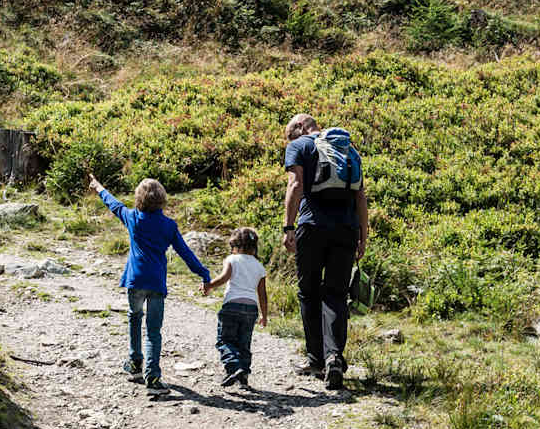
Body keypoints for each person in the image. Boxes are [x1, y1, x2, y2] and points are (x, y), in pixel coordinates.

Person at [88, 174, 211, 395]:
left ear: (139, 199)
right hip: (156, 284)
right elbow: (186, 253)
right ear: (162, 199)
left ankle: (135, 363)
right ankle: (152, 377)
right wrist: (204, 274)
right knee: (153, 331)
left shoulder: (132, 217)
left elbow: (113, 204)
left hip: (135, 281)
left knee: (134, 318)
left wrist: (98, 187)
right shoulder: (168, 226)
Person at [282, 114, 369, 390]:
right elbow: (360, 197)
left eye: (288, 135)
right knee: (335, 294)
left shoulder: (300, 146)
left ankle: (316, 359)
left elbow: (295, 185)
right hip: (346, 230)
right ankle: (334, 357)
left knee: (308, 291)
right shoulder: (348, 149)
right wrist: (363, 236)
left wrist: (288, 226)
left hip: (312, 227)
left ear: (298, 128)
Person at [204, 227, 268, 388]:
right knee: (244, 343)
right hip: (251, 309)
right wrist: (264, 315)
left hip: (232, 305)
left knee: (225, 340)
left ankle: (234, 367)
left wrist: (209, 285)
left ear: (235, 246)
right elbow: (262, 294)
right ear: (254, 247)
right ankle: (243, 376)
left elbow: (224, 278)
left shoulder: (232, 259)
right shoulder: (259, 267)